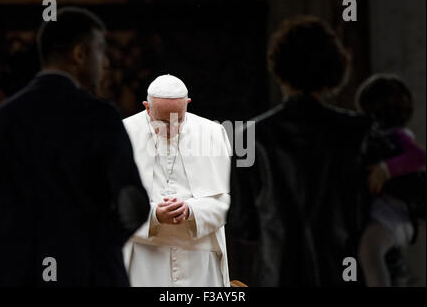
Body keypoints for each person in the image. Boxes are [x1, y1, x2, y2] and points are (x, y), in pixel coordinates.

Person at [0, 7, 149, 286]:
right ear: (80, 54)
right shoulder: (99, 116)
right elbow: (133, 205)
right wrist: (100, 243)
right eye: (100, 49)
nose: (105, 63)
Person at [228, 16, 371, 286]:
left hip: (278, 272)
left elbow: (241, 223)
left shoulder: (248, 136)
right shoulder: (358, 132)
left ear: (278, 67)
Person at [122, 74, 231, 287]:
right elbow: (110, 200)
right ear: (147, 107)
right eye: (163, 121)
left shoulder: (213, 133)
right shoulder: (123, 133)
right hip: (145, 257)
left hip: (198, 258)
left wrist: (191, 211)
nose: (172, 128)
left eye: (179, 119)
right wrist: (153, 214)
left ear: (187, 105)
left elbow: (228, 202)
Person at [356, 74, 426, 287]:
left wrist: (387, 169)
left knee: (370, 250)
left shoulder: (397, 136)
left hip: (395, 214)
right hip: (384, 213)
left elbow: (421, 157)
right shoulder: (374, 138)